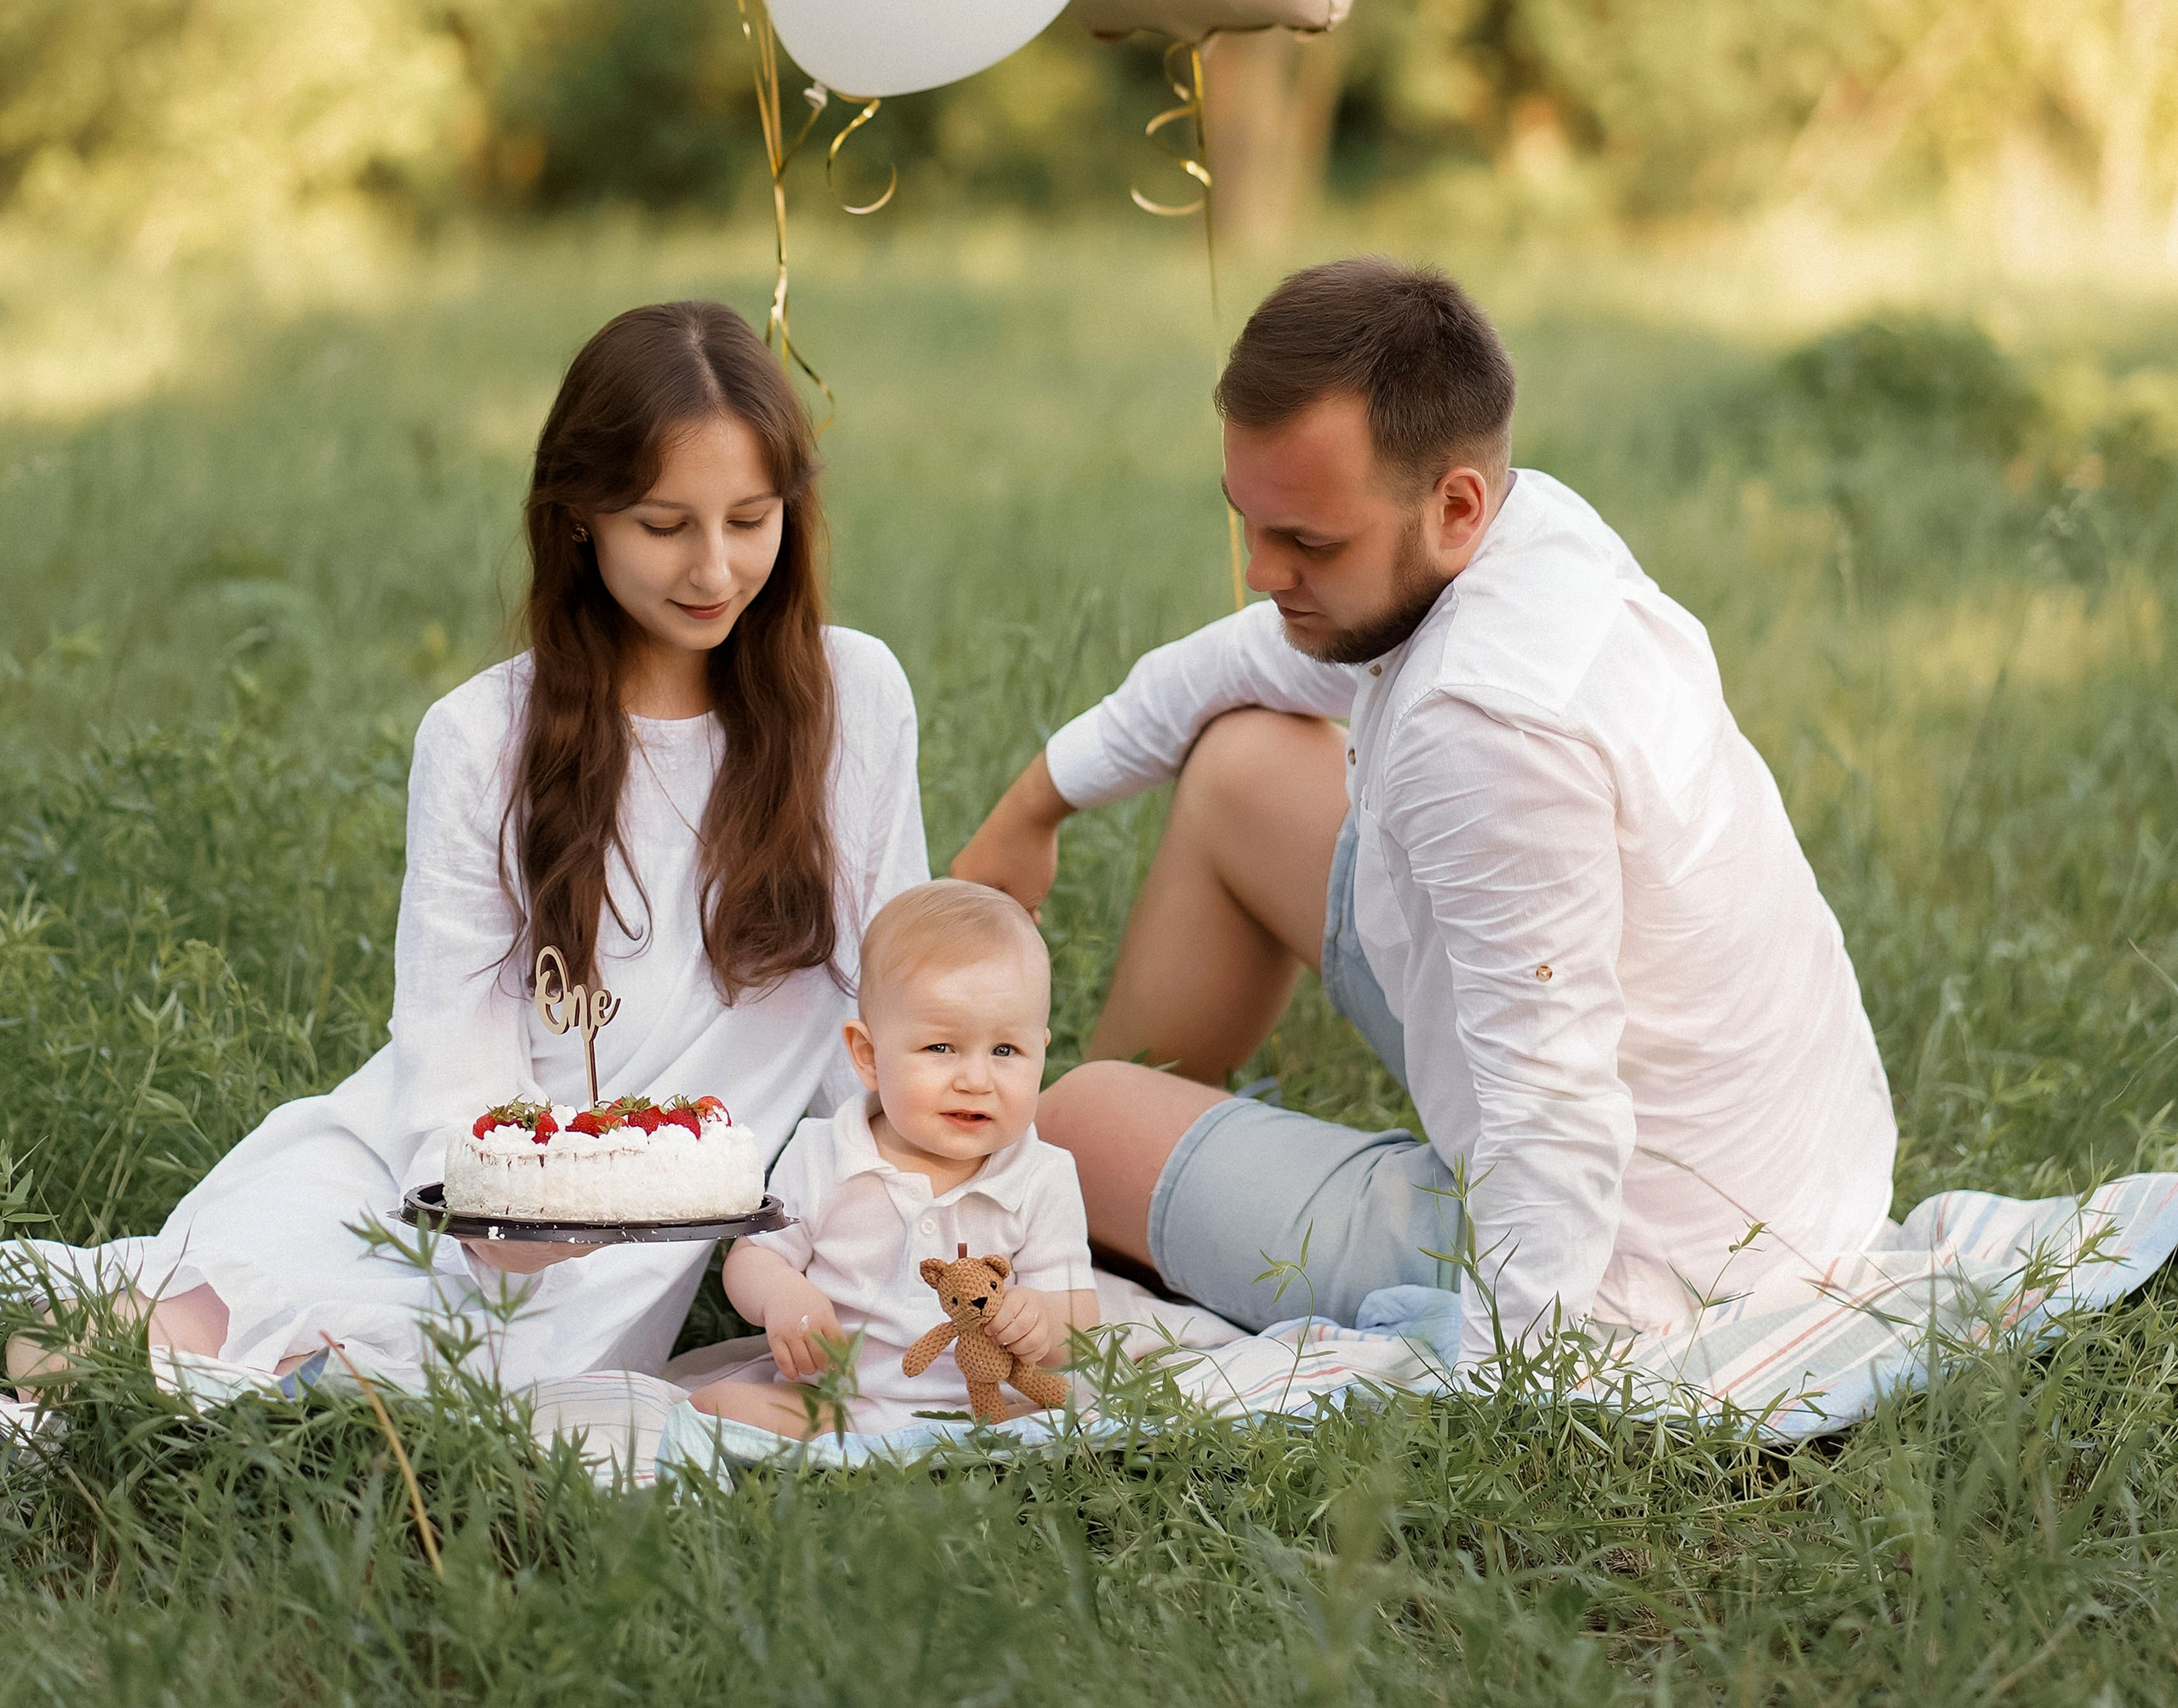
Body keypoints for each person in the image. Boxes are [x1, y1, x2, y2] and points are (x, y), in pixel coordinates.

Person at [955, 257, 1896, 1356]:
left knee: (1066, 1130)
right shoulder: (1525, 528)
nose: (1261, 570)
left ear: (1453, 506)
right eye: (1248, 524)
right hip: (1789, 1168)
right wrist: (1036, 803)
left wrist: (1523, 1374)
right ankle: (1146, 1182)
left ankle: (1094, 1202)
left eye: (1308, 542)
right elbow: (1251, 658)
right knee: (1245, 766)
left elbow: (1553, 1100)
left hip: (1658, 1262)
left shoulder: (1483, 729)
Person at [5, 300, 926, 1392]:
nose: (716, 569)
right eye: (664, 524)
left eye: (751, 519)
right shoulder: (484, 737)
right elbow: (449, 1064)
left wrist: (918, 1204)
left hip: (609, 1277)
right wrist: (507, 1219)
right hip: (443, 1196)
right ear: (580, 515)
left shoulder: (851, 700)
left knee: (340, 1391)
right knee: (151, 1345)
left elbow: (886, 1011)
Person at [687, 878, 1097, 1435]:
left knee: (1072, 1417)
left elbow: (1078, 1311)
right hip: (840, 1401)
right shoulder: (823, 1151)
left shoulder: (1043, 1175)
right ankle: (860, 1449)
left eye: (1006, 1051)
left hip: (985, 1406)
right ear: (869, 1056)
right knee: (713, 1406)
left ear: (1040, 1052)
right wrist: (783, 1294)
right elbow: (755, 1258)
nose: (976, 1080)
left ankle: (954, 1456)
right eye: (940, 1048)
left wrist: (1043, 1321)